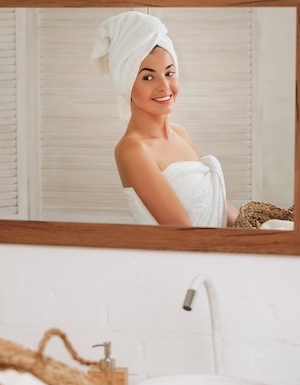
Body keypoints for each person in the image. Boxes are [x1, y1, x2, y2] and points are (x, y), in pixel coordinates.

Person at [91, 11, 240, 227]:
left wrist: (261, 231)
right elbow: (183, 231)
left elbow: (216, 205)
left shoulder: (180, 133)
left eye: (169, 73)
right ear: (126, 84)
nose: (164, 86)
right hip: (184, 257)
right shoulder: (133, 149)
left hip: (216, 250)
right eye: (148, 77)